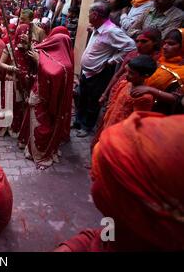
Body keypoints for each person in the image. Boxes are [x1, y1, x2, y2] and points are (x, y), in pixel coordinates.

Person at [56, 112, 184, 251]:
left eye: (106, 178)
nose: (94, 179)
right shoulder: (133, 227)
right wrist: (75, 246)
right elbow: (109, 236)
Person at [75, 1, 136, 137]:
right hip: (87, 72)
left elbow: (131, 46)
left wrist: (112, 60)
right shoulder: (98, 27)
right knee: (82, 96)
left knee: (93, 100)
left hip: (99, 73)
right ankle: (78, 121)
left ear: (95, 14)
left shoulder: (111, 31)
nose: (88, 16)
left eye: (89, 13)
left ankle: (87, 126)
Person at [18, 28, 74, 169]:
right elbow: (37, 51)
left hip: (48, 101)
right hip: (39, 95)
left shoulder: (65, 64)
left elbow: (53, 73)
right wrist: (28, 45)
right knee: (34, 123)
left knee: (42, 125)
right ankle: (31, 148)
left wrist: (39, 62)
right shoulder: (51, 55)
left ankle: (41, 153)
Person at [92, 55, 157, 147]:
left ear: (145, 76)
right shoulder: (126, 84)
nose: (126, 75)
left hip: (120, 133)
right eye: (127, 71)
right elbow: (114, 103)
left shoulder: (144, 97)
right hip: (109, 123)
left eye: (131, 73)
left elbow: (136, 123)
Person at [100, 28, 162, 106]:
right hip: (118, 92)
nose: (139, 45)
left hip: (134, 98)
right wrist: (105, 94)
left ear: (155, 43)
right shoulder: (132, 54)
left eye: (144, 41)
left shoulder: (159, 60)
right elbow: (118, 75)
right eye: (137, 41)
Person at [131, 28, 184, 115]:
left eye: (171, 44)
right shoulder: (158, 59)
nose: (165, 47)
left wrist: (150, 90)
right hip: (135, 104)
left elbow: (177, 98)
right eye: (164, 43)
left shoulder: (182, 71)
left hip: (156, 113)